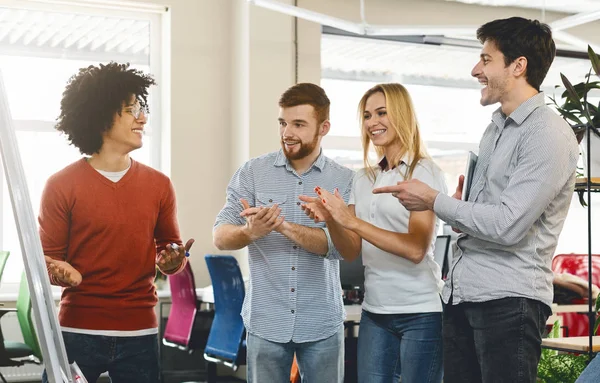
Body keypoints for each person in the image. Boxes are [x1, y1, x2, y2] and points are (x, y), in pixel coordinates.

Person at [372, 17, 579, 383]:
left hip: (508, 301)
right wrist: (458, 206)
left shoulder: (548, 133)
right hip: (465, 296)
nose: (475, 70)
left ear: (518, 66)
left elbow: (508, 225)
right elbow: (488, 214)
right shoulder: (495, 128)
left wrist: (434, 200)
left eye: (486, 60)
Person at [39, 62, 194, 383]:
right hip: (77, 331)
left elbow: (169, 254)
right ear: (100, 116)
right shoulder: (61, 185)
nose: (143, 117)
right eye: (131, 109)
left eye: (143, 107)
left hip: (139, 332)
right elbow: (47, 260)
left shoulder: (160, 185)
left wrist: (173, 261)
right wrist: (59, 270)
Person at [300, 83, 446, 383]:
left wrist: (351, 221)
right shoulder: (363, 178)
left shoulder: (425, 173)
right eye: (367, 116)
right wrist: (331, 218)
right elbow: (351, 249)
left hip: (421, 312)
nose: (372, 123)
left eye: (382, 113)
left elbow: (416, 249)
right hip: (375, 312)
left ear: (402, 115)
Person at [213, 83, 354, 383]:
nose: (287, 132)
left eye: (299, 124)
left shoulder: (343, 180)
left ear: (323, 127)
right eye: (283, 123)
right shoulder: (252, 172)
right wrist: (250, 232)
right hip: (266, 322)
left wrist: (284, 226)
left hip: (322, 322)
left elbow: (342, 248)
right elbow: (220, 235)